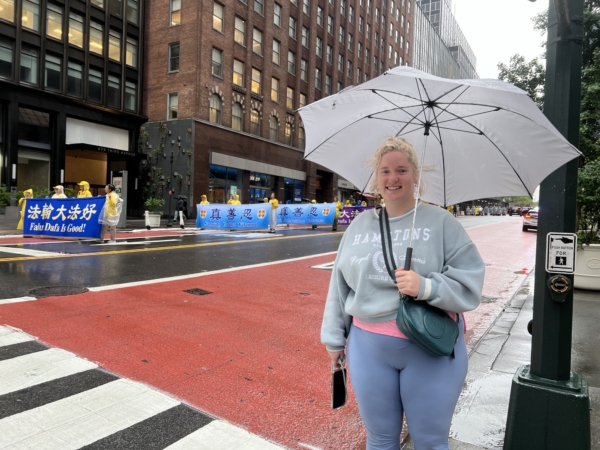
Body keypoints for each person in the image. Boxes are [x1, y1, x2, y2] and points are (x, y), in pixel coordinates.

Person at [321, 137, 485, 450]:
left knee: (430, 442)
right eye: (385, 171)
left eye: (401, 170)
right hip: (368, 348)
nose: (393, 178)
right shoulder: (359, 225)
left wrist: (426, 287)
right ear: (376, 177)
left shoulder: (441, 222)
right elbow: (339, 286)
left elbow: (471, 283)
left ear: (415, 175)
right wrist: (334, 339)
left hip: (430, 347)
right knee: (380, 439)